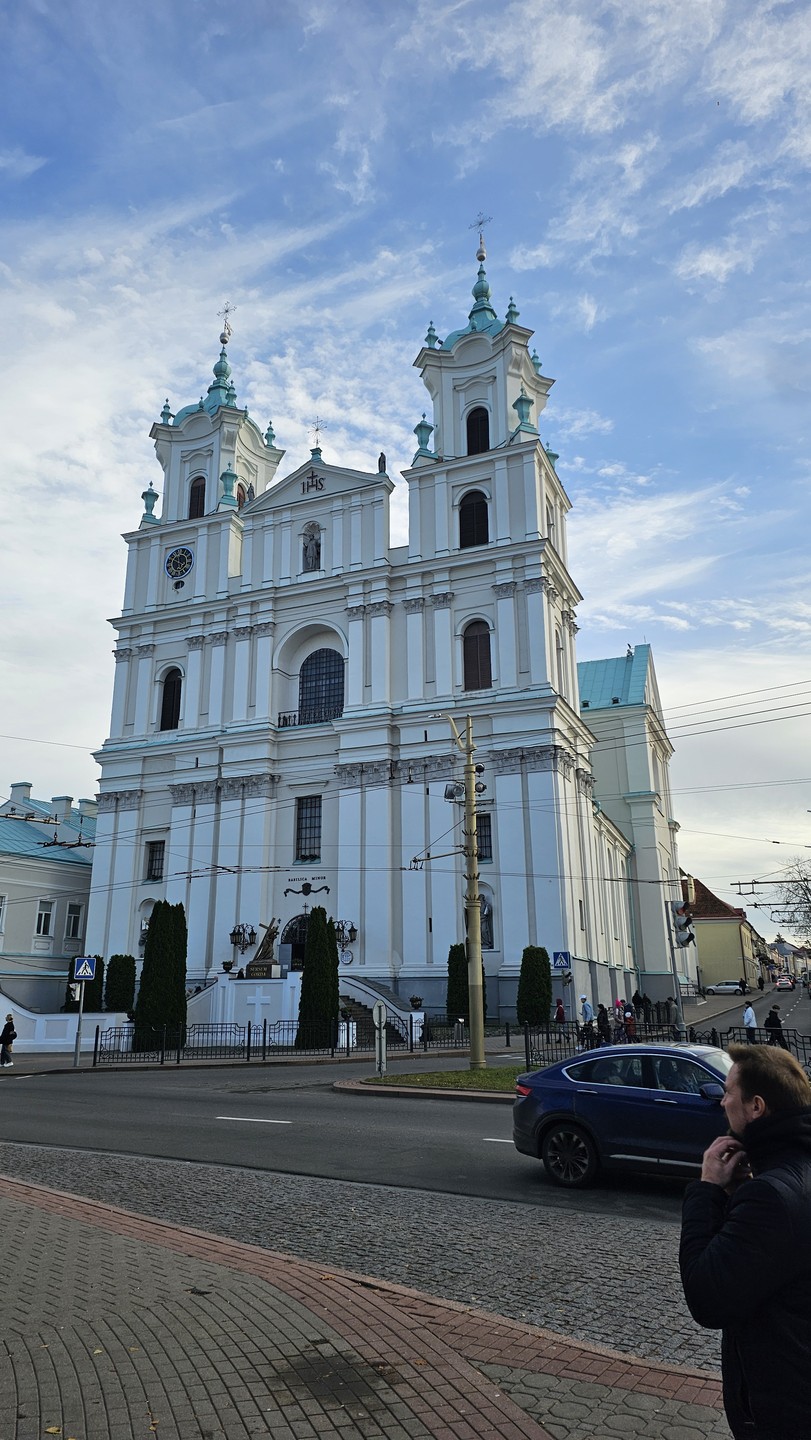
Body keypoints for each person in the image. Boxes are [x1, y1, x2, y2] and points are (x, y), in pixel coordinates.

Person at [680, 1045, 811, 1439]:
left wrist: (707, 1190)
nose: (722, 1102)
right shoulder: (790, 1173)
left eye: (728, 1093)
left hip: (784, 1407)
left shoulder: (770, 1195)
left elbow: (707, 1296)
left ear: (756, 1107)